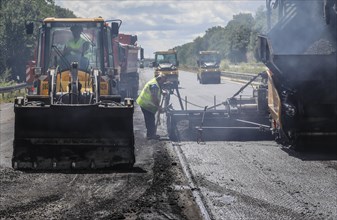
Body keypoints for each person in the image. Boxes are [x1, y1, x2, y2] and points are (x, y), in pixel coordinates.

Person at [136, 74, 167, 140]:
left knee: (150, 119)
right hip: (146, 104)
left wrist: (162, 92)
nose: (163, 83)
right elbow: (154, 98)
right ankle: (151, 135)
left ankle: (150, 134)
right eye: (163, 81)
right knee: (150, 120)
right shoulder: (154, 86)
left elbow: (157, 90)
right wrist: (159, 107)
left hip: (146, 104)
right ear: (160, 79)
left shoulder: (155, 82)